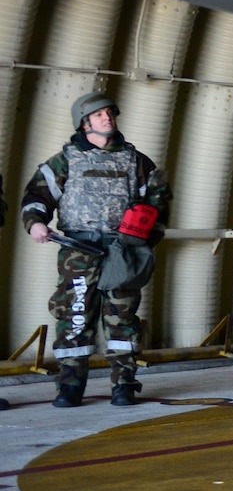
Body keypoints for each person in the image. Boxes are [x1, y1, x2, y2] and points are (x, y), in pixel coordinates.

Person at [20, 92, 170, 408]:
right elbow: (37, 197)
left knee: (122, 318)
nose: (107, 118)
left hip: (122, 251)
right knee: (74, 317)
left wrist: (144, 241)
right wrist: (35, 223)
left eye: (110, 113)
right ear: (84, 122)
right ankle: (70, 387)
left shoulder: (137, 162)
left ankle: (124, 386)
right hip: (78, 251)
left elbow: (159, 203)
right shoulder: (64, 161)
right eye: (99, 114)